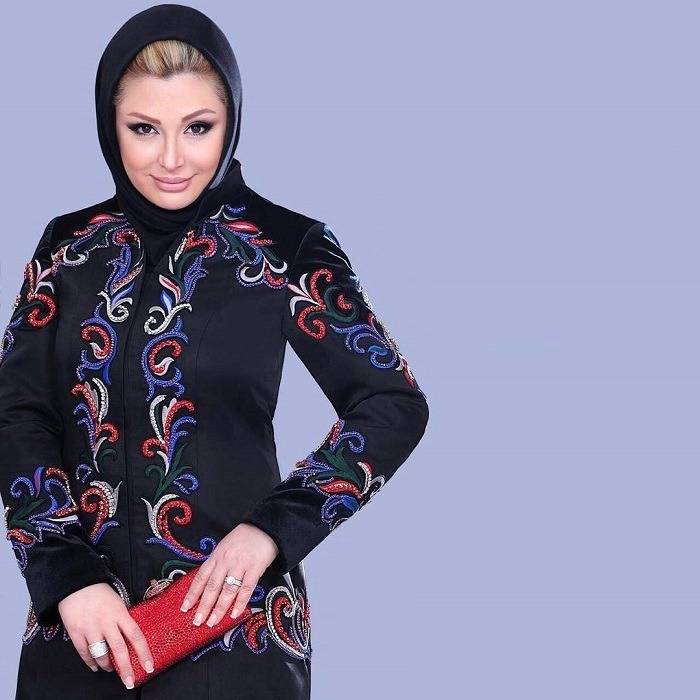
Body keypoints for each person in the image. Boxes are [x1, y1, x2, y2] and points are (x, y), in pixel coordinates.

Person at [0, 4, 429, 698]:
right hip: (80, 635)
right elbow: (16, 412)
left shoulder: (284, 247)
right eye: (144, 128)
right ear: (110, 126)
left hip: (232, 628)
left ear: (230, 123)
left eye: (198, 128)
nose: (172, 159)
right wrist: (64, 575)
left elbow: (391, 403)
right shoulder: (67, 248)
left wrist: (272, 531)